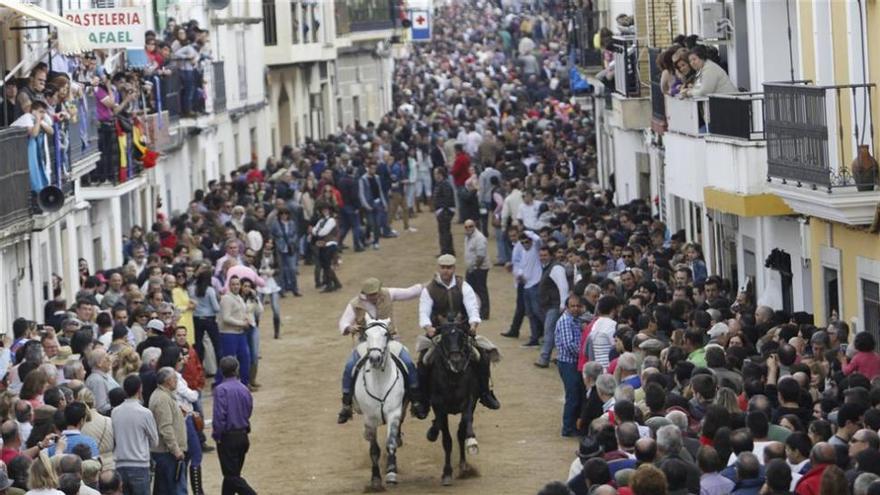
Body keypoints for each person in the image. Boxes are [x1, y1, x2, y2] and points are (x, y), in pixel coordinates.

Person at [336, 278, 426, 423]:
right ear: (365, 294)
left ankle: (416, 400)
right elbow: (343, 322)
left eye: (376, 293)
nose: (375, 297)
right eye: (371, 295)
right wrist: (349, 327)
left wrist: (425, 285)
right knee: (349, 366)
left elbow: (410, 292)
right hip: (366, 343)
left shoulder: (388, 293)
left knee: (408, 363)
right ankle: (346, 403)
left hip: (390, 341)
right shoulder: (355, 304)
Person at [418, 254, 500, 412]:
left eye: (449, 268)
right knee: (423, 361)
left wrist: (473, 324)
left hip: (461, 332)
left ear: (454, 269)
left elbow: (472, 307)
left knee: (482, 357)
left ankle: (485, 393)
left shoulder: (464, 286)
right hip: (439, 334)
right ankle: (424, 399)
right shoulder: (429, 289)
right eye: (443, 267)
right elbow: (424, 311)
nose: (446, 271)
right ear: (439, 268)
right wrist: (428, 327)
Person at [212, 357, 257, 495]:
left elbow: (220, 416)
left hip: (227, 437)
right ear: (237, 370)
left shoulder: (221, 390)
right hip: (242, 435)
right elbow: (248, 409)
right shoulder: (244, 388)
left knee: (232, 476)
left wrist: (217, 435)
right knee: (232, 474)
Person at [112, 375, 158, 495]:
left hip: (120, 464)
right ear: (140, 389)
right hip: (139, 464)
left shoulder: (115, 411)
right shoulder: (145, 413)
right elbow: (155, 441)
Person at [149, 367, 188, 494]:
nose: (177, 381)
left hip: (167, 452)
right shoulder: (162, 399)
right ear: (167, 381)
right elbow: (165, 427)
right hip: (167, 453)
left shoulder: (164, 396)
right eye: (175, 378)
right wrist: (176, 450)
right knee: (175, 489)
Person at [554, 295, 588, 437]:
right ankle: (567, 428)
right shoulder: (565, 321)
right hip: (568, 363)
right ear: (567, 307)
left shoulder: (576, 320)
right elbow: (569, 345)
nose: (575, 308)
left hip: (574, 363)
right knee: (573, 396)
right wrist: (584, 354)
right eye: (572, 306)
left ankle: (574, 425)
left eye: (577, 306)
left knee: (578, 395)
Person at [535, 245, 569, 368]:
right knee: (555, 332)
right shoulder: (547, 267)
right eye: (541, 255)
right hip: (549, 305)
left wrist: (562, 304)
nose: (542, 258)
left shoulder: (556, 268)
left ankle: (544, 359)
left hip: (554, 306)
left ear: (551, 255)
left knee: (549, 332)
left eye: (545, 255)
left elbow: (563, 286)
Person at [218, 276, 253, 386]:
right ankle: (220, 384)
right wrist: (242, 323)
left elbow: (243, 313)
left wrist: (246, 320)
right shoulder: (227, 299)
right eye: (233, 284)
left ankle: (244, 384)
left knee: (245, 359)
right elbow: (226, 318)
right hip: (229, 334)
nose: (236, 286)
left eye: (237, 284)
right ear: (229, 286)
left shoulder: (239, 297)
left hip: (240, 333)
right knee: (228, 361)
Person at [463, 219, 491, 320]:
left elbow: (480, 256)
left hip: (479, 268)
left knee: (481, 290)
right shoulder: (468, 237)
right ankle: (474, 311)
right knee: (470, 290)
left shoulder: (479, 238)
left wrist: (474, 268)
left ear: (474, 226)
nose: (468, 229)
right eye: (466, 227)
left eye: (471, 226)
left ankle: (484, 312)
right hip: (472, 267)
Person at [433, 167, 456, 256]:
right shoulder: (441, 184)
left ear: (440, 174)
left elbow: (447, 199)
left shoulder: (445, 184)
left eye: (436, 173)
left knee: (444, 232)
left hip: (445, 211)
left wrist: (441, 209)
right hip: (442, 210)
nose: (434, 175)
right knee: (444, 232)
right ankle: (447, 250)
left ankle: (446, 251)